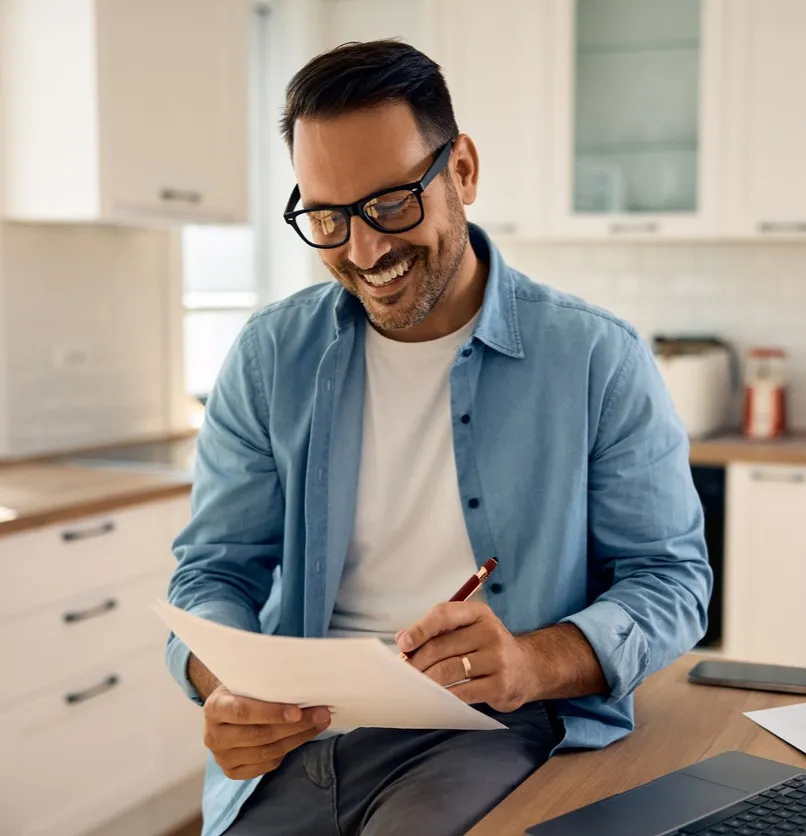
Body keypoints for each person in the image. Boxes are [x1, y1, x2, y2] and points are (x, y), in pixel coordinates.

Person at [166, 39, 712, 836]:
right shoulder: (268, 356)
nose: (364, 251)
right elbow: (213, 570)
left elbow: (671, 581)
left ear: (462, 170)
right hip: (300, 741)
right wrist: (223, 684)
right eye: (328, 218)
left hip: (483, 731)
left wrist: (530, 662)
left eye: (391, 204)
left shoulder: (597, 357)